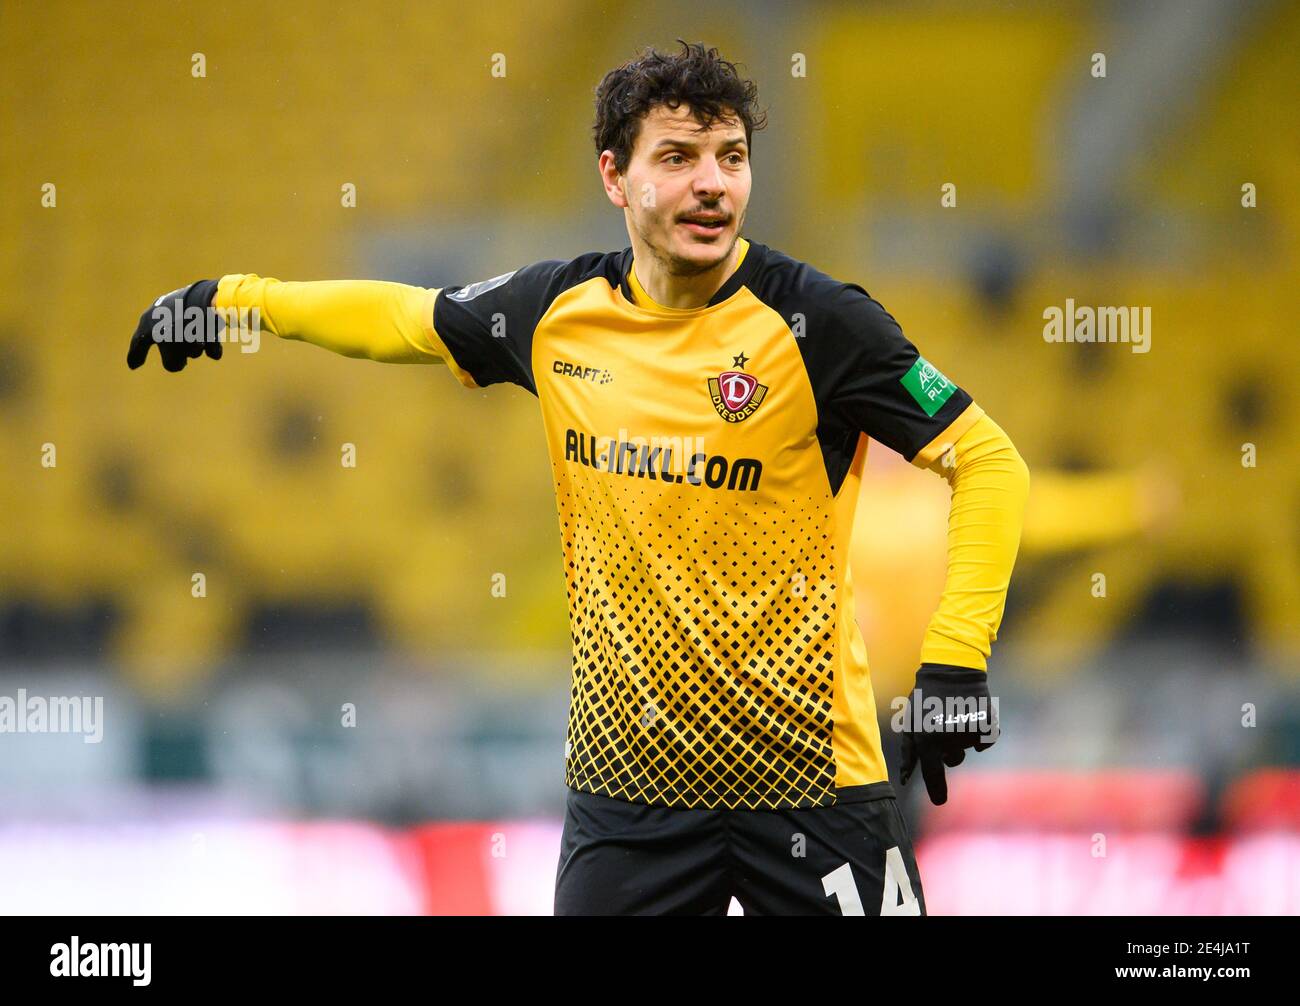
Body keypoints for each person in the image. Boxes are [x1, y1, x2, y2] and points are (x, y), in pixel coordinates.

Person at [127, 40, 1030, 915]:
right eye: (676, 157)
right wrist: (237, 300)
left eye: (731, 157)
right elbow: (403, 318)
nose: (711, 182)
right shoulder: (559, 312)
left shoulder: (820, 322)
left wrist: (955, 662)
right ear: (614, 177)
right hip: (628, 794)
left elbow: (988, 460)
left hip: (815, 780)